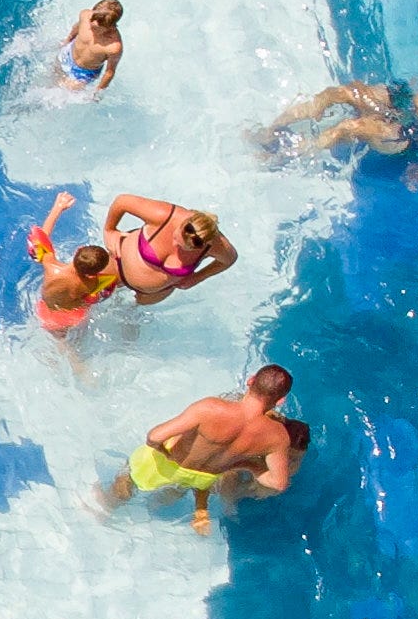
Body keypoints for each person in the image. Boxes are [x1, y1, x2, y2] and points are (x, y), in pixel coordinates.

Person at [103, 363, 299, 530]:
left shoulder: (211, 408)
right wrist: (247, 464)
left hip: (166, 465)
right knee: (169, 496)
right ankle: (160, 510)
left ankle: (101, 512)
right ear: (281, 400)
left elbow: (154, 437)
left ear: (250, 380)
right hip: (204, 479)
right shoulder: (278, 437)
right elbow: (278, 483)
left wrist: (166, 453)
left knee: (123, 487)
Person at [260, 59, 418, 184]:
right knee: (342, 92)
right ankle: (269, 131)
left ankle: (283, 156)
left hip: (414, 133)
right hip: (406, 102)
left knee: (349, 127)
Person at [100, 193, 235, 302]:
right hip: (119, 265)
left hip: (153, 293)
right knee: (89, 292)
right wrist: (110, 230)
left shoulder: (215, 245)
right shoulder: (165, 216)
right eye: (176, 238)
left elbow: (230, 259)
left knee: (129, 316)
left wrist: (198, 277)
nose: (175, 245)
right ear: (182, 223)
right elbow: (123, 201)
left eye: (183, 247)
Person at [24, 189, 119, 341]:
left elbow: (43, 237)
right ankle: (78, 361)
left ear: (77, 251)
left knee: (61, 342)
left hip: (48, 313)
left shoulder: (51, 267)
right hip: (74, 317)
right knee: (79, 339)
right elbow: (103, 291)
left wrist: (58, 208)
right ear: (96, 273)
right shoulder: (92, 283)